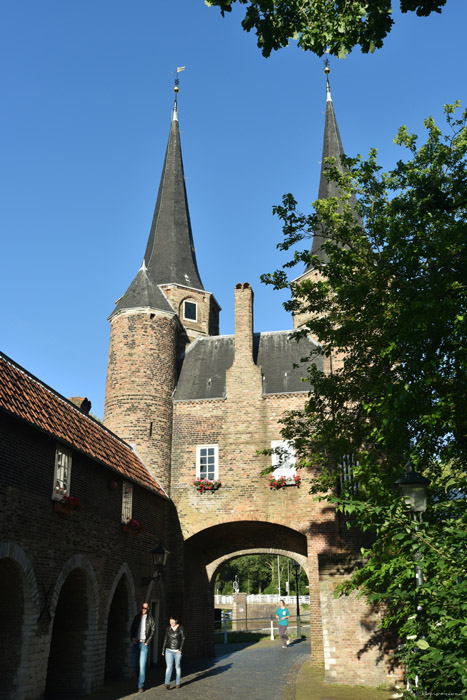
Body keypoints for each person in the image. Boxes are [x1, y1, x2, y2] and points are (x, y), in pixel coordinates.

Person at [130, 602, 156, 693]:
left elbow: (153, 631)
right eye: (142, 608)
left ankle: (140, 685)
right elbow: (132, 628)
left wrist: (147, 642)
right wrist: (132, 637)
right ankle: (139, 677)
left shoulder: (151, 619)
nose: (144, 609)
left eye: (145, 608)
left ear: (148, 609)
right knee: (134, 664)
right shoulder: (137, 617)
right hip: (136, 643)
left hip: (144, 644)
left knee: (142, 665)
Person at [162, 616, 185, 689]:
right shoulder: (168, 628)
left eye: (173, 622)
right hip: (168, 650)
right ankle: (167, 683)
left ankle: (178, 682)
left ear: (176, 621)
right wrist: (163, 650)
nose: (171, 623)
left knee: (177, 667)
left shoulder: (181, 628)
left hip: (177, 651)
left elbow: (183, 639)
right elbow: (165, 639)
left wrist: (180, 649)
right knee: (169, 667)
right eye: (170, 622)